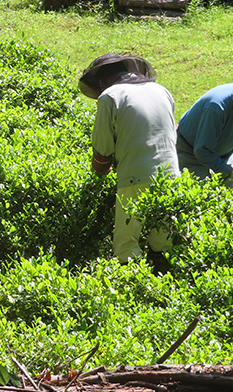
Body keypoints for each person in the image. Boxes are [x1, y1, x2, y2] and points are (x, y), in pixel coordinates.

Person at [78, 53, 180, 272]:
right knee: (166, 241)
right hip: (171, 175)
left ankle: (134, 289)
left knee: (126, 244)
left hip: (134, 177)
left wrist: (99, 171)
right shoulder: (162, 91)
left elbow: (102, 150)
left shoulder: (110, 96)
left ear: (103, 81)